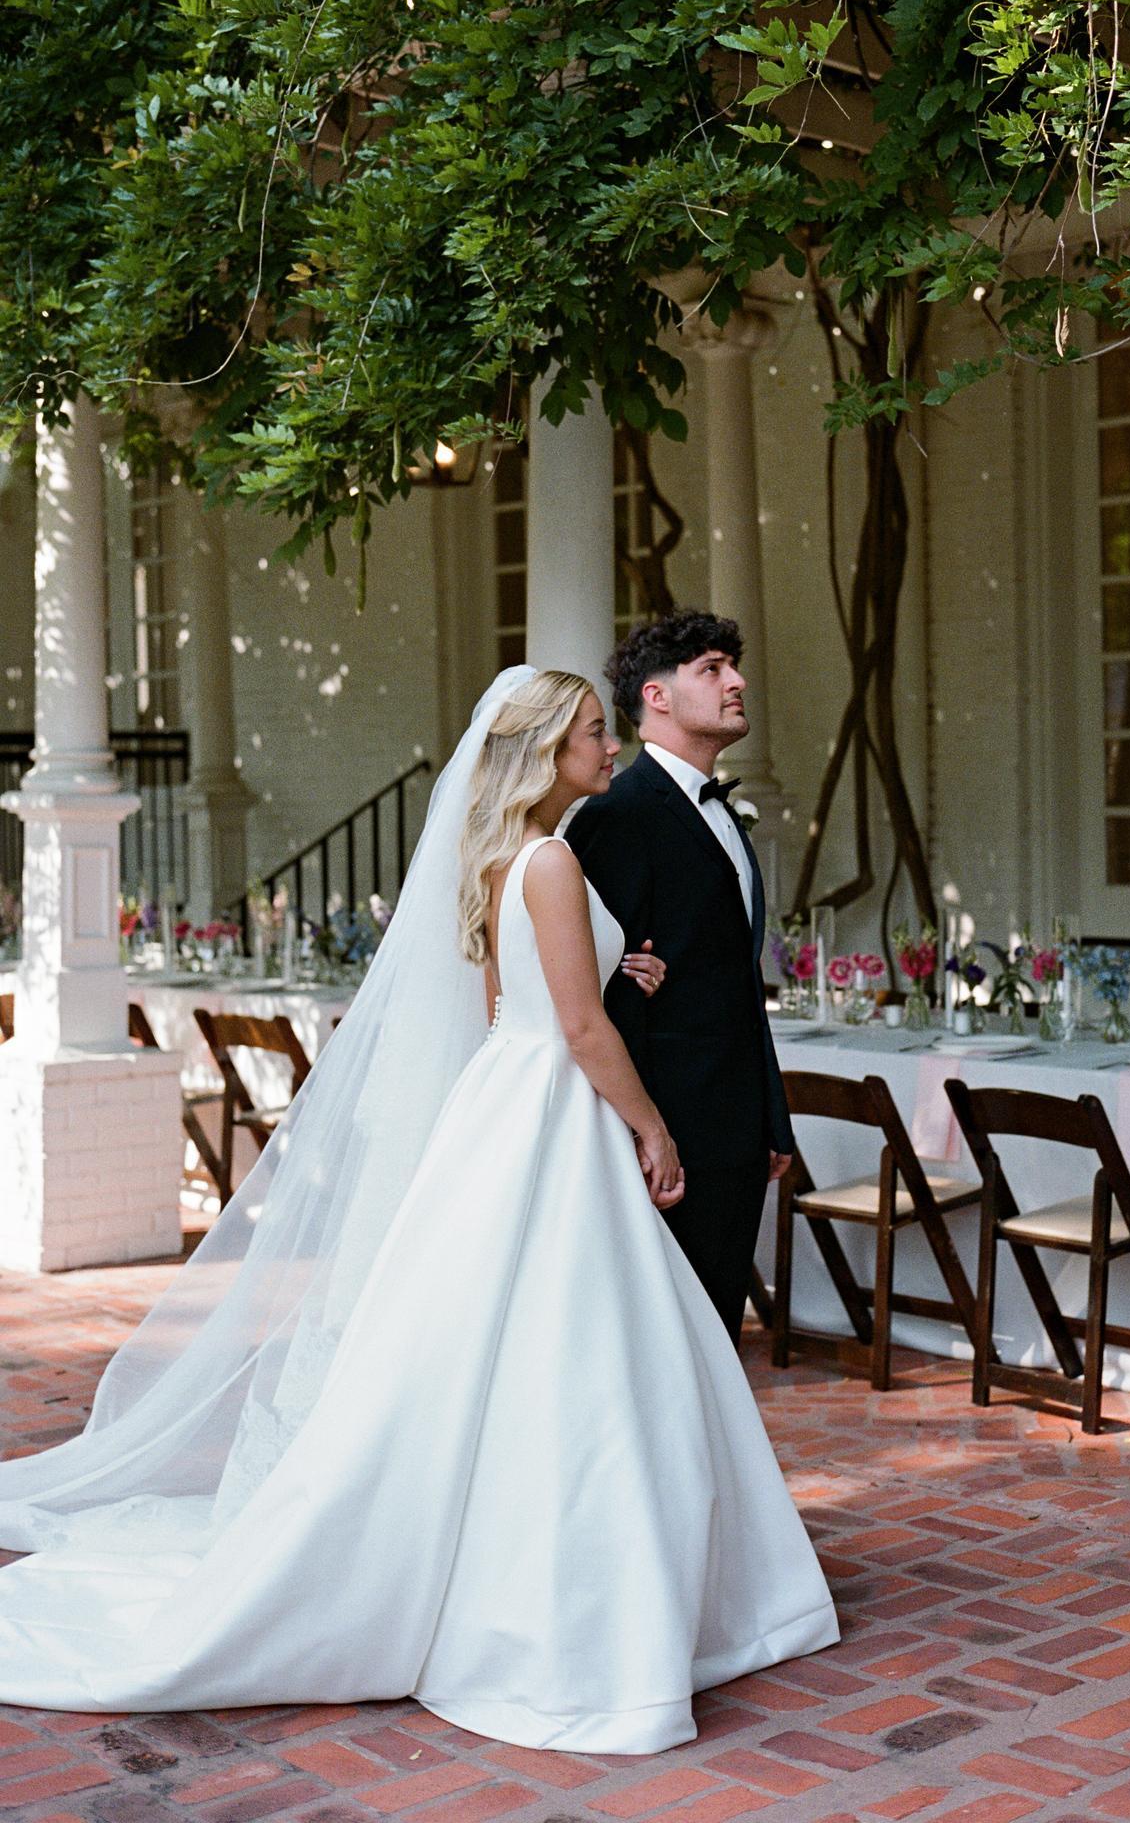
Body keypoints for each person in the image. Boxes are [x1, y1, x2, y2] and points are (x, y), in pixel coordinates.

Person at [0, 667, 837, 1754]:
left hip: (509, 1099)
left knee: (515, 1338)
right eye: (591, 733)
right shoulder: (551, 859)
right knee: (577, 1343)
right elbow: (578, 1032)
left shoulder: (500, 858)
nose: (607, 747)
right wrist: (652, 1127)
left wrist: (607, 982)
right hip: (559, 1108)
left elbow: (508, 1008)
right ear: (544, 751)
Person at [567, 613, 793, 1343]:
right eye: (713, 668)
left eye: (733, 666)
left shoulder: (720, 811)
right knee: (668, 1345)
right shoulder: (618, 814)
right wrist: (642, 1134)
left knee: (717, 1339)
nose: (738, 682)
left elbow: (738, 983)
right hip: (667, 1133)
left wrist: (769, 1117)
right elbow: (590, 991)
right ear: (657, 697)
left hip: (733, 1128)